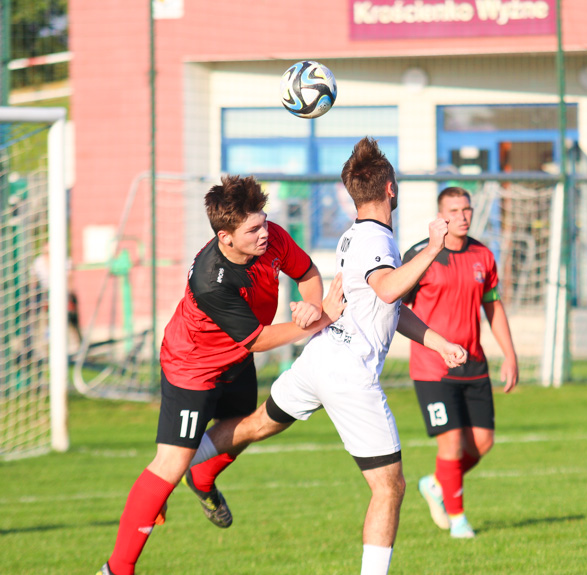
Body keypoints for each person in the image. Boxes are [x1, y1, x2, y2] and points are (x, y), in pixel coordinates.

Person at [184, 137, 468, 575]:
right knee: (389, 487)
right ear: (391, 188)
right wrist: (432, 246)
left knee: (260, 423)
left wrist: (435, 340)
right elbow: (388, 288)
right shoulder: (377, 239)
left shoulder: (356, 234)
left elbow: (384, 304)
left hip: (321, 357)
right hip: (349, 373)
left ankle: (191, 461)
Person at [98, 174, 345, 575]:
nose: (265, 233)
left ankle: (203, 475)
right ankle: (116, 569)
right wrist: (322, 320)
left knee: (255, 425)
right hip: (192, 367)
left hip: (234, 361)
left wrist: (313, 305)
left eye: (264, 222)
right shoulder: (212, 280)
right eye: (253, 229)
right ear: (225, 237)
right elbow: (260, 340)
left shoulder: (274, 237)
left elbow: (309, 273)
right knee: (170, 462)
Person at [403, 186, 519, 539]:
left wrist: (510, 355)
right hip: (432, 369)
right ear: (441, 217)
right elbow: (394, 305)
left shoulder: (483, 254)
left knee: (483, 443)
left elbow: (493, 305)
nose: (463, 216)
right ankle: (458, 520)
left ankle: (437, 484)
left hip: (474, 366)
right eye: (454, 210)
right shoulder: (420, 255)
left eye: (467, 209)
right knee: (451, 444)